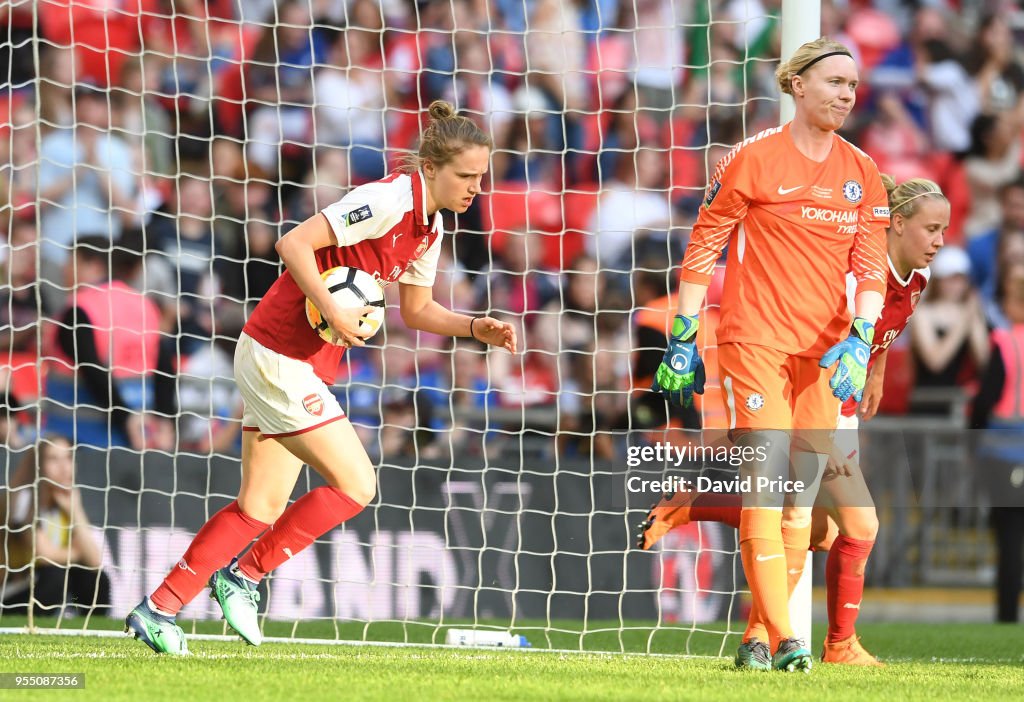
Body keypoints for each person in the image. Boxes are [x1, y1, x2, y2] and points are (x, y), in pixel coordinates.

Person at [125, 100, 517, 655]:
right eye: (467, 175)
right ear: (430, 168)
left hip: (297, 363)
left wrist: (476, 326)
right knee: (358, 484)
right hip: (279, 353)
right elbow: (292, 244)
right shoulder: (386, 199)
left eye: (482, 177)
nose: (476, 187)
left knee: (259, 507)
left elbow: (419, 309)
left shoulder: (429, 228)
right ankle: (246, 575)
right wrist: (332, 311)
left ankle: (158, 609)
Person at [651, 37, 890, 672]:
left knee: (799, 499)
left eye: (853, 85)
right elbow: (704, 247)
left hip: (827, 349)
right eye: (835, 82)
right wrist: (682, 332)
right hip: (753, 339)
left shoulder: (863, 171)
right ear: (797, 84)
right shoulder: (752, 158)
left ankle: (758, 636)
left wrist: (861, 338)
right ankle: (789, 639)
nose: (846, 94)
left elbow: (870, 268)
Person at [641, 176, 950, 665]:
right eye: (931, 229)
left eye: (944, 231)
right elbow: (815, 337)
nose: (938, 241)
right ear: (895, 224)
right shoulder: (853, 276)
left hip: (842, 408)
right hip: (811, 402)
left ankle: (707, 533)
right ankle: (835, 644)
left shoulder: (918, 278)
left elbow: (884, 331)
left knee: (818, 534)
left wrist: (876, 375)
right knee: (858, 526)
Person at [0, 435, 111, 617]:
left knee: (95, 578)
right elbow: (44, 555)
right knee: (54, 575)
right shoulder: (23, 498)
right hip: (12, 589)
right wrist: (76, 553)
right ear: (38, 465)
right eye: (53, 459)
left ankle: (92, 629)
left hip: (46, 580)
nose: (63, 467)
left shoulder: (67, 501)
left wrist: (76, 512)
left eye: (68, 458)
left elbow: (94, 561)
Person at [971, 260, 1024, 623]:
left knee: (1008, 537)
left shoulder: (1004, 341)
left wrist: (971, 442)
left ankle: (1006, 614)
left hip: (1005, 453)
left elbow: (985, 400)